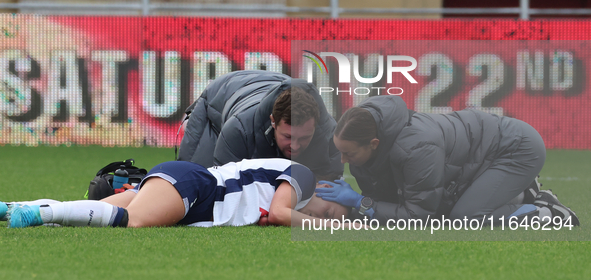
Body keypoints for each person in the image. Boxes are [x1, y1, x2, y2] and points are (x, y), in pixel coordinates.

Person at [315, 95, 580, 226]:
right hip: (485, 156)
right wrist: (360, 209)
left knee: (466, 218)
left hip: (516, 149)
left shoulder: (415, 146)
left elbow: (417, 216)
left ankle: (547, 212)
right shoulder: (368, 141)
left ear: (374, 144)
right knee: (444, 209)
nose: (343, 160)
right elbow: (389, 204)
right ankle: (522, 194)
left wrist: (361, 202)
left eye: (349, 154)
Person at [2, 158, 349, 228]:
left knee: (80, 217)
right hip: (198, 186)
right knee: (132, 222)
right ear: (328, 190)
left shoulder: (294, 194)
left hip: (192, 189)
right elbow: (281, 213)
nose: (319, 217)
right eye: (330, 212)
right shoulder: (305, 175)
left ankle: (10, 208)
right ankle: (39, 214)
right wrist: (336, 228)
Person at [178, 70, 343, 181]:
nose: (295, 145)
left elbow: (328, 187)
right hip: (220, 95)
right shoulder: (239, 129)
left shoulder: (331, 136)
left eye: (304, 138)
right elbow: (227, 187)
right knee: (194, 179)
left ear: (315, 128)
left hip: (273, 84)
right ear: (273, 121)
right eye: (288, 136)